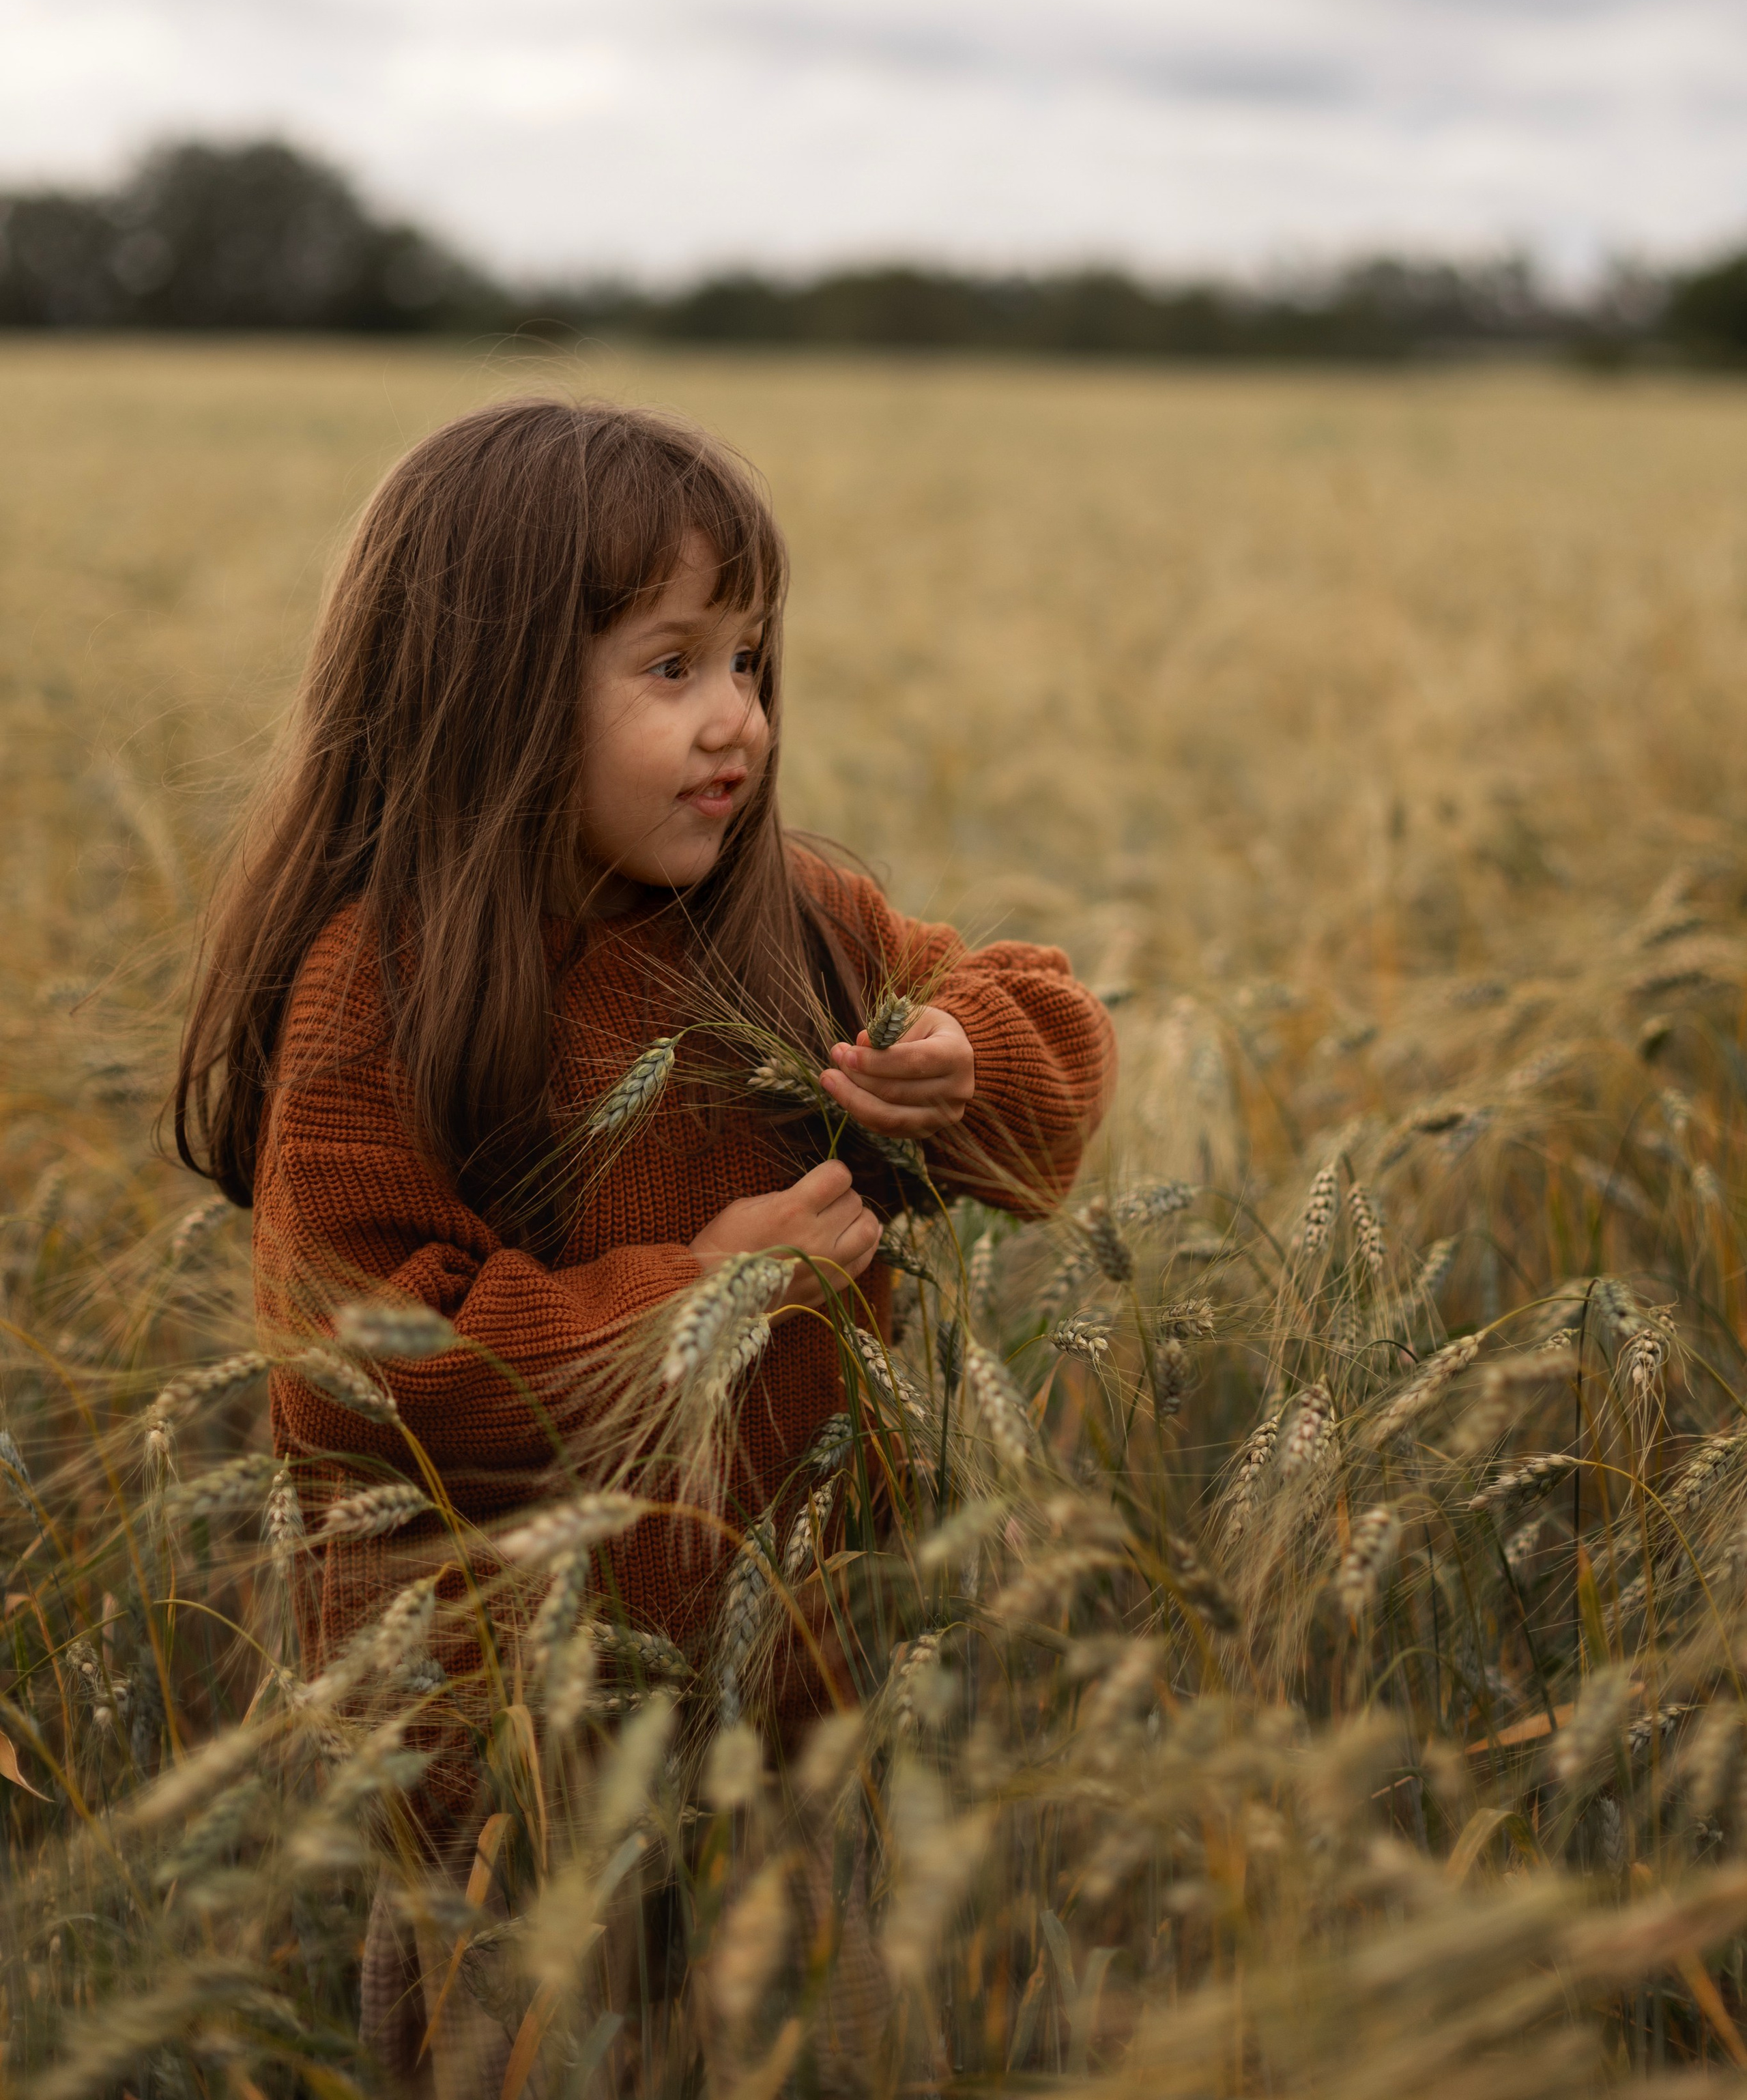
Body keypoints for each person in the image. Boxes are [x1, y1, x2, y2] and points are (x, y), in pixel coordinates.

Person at [174, 396, 1114, 2090]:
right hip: (510, 1771)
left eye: (749, 662)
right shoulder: (379, 992)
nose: (734, 720)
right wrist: (712, 1292)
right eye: (668, 667)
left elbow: (1034, 1023)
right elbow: (369, 1371)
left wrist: (966, 1059)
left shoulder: (794, 921)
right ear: (485, 694)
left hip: (802, 1720)